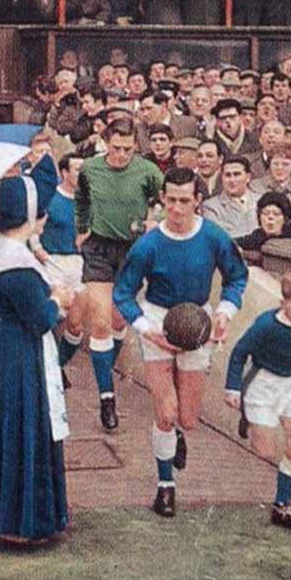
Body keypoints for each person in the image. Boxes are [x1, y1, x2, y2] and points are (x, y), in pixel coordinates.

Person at [113, 167, 249, 519]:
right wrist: (146, 328)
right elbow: (123, 293)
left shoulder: (214, 237)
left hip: (198, 321)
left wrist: (224, 313)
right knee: (165, 411)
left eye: (184, 201)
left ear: (198, 201)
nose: (176, 208)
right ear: (162, 199)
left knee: (187, 419)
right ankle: (165, 485)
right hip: (159, 320)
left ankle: (176, 435)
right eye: (170, 200)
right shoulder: (148, 244)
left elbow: (237, 276)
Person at [0, 162, 74, 545]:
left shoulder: (1, 249)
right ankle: (23, 522)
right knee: (25, 428)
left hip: (3, 346)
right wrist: (57, 299)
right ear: (31, 215)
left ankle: (2, 516)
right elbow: (40, 317)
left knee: (5, 430)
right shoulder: (15, 263)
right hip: (20, 352)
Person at [75, 117, 164, 431]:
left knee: (116, 321)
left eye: (127, 149)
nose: (121, 155)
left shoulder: (148, 172)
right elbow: (82, 199)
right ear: (105, 143)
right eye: (116, 148)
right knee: (99, 321)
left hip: (132, 250)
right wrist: (82, 229)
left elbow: (165, 200)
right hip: (98, 248)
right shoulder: (90, 168)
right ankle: (106, 396)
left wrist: (156, 219)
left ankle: (108, 365)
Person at [225, 266, 291, 532]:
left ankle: (282, 505)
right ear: (284, 304)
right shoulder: (267, 325)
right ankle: (248, 417)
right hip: (264, 383)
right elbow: (239, 353)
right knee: (265, 451)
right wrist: (233, 388)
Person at [32, 154, 87, 387]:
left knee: (75, 323)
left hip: (78, 263)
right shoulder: (51, 198)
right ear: (64, 173)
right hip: (53, 261)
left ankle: (58, 363)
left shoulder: (88, 200)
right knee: (54, 315)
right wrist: (37, 249)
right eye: (76, 170)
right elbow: (34, 226)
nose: (81, 175)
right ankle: (48, 369)